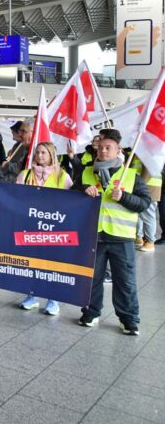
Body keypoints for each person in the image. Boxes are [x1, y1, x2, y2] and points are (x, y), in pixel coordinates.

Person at [74, 129, 149, 335]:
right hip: (94, 235)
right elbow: (71, 196)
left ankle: (129, 319)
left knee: (125, 280)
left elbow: (144, 203)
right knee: (92, 279)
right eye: (100, 147)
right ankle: (91, 312)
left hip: (121, 237)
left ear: (118, 150)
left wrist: (123, 197)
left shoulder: (131, 175)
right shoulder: (87, 171)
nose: (103, 151)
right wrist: (82, 190)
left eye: (109, 148)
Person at [16, 142, 72, 316]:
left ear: (51, 155)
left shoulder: (62, 176)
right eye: (37, 152)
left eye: (44, 153)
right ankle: (32, 296)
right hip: (30, 225)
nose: (40, 156)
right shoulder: (25, 175)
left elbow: (71, 202)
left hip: (53, 227)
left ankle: (53, 299)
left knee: (52, 264)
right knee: (32, 262)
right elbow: (14, 197)